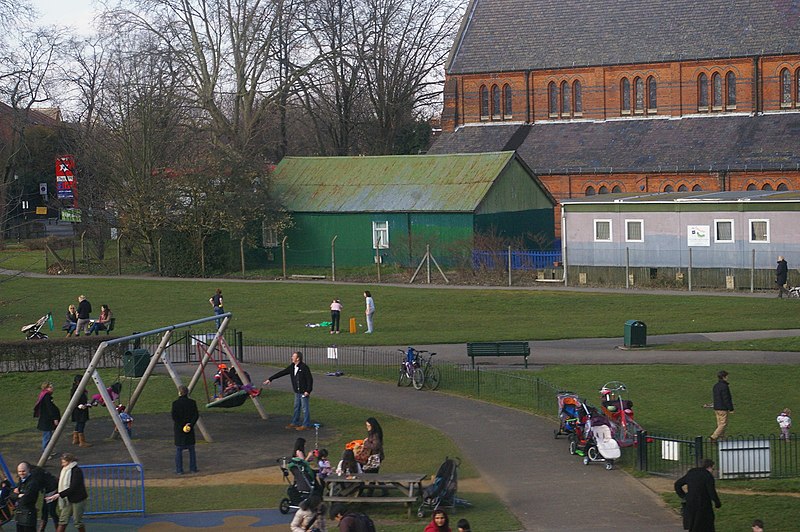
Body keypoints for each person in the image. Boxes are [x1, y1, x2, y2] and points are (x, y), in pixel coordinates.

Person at [263, 351, 313, 431]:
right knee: (296, 407)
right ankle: (294, 422)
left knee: (305, 408)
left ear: (298, 358)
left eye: (293, 356)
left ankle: (306, 424)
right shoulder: (292, 366)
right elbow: (282, 373)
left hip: (304, 392)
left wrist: (308, 390)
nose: (292, 358)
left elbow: (309, 379)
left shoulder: (304, 367)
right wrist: (270, 379)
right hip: (297, 392)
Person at [674, 458, 721, 532]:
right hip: (703, 504)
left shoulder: (691, 473)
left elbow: (677, 484)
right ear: (709, 467)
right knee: (706, 525)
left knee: (693, 524)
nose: (713, 471)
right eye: (713, 468)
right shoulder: (708, 476)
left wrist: (684, 496)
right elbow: (711, 491)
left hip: (690, 503)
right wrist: (717, 503)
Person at [45, 453, 88, 532]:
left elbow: (73, 487)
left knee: (77, 521)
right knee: (63, 520)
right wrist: (56, 493)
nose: (62, 464)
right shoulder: (64, 470)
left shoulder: (76, 471)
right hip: (67, 499)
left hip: (78, 499)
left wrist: (58, 495)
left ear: (70, 461)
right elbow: (61, 484)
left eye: (64, 462)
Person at [171, 385, 199, 474]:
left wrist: (182, 424)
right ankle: (193, 468)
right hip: (190, 428)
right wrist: (190, 424)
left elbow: (174, 417)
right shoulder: (192, 402)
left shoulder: (175, 403)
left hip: (179, 429)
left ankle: (179, 470)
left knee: (179, 450)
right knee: (191, 449)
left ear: (179, 392)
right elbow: (196, 415)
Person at [10, 462, 40, 532]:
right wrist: (19, 495)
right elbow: (11, 495)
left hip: (28, 515)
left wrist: (17, 495)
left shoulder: (32, 483)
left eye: (23, 471)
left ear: (28, 470)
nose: (21, 473)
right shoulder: (21, 481)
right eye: (19, 471)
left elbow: (26, 499)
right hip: (20, 514)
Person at [33, 382, 60, 452]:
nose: (52, 388)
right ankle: (46, 452)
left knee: (48, 436)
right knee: (47, 436)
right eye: (50, 387)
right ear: (46, 388)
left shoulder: (45, 395)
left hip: (46, 419)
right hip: (47, 420)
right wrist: (55, 418)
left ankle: (48, 451)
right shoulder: (47, 397)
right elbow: (50, 408)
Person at [710, 370, 734, 442]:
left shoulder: (715, 386)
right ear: (724, 377)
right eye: (727, 376)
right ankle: (714, 437)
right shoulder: (724, 386)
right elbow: (726, 398)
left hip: (716, 407)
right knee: (723, 424)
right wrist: (731, 408)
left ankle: (721, 439)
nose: (728, 377)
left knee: (720, 424)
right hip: (723, 408)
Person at [70, 375, 92, 448]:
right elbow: (73, 399)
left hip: (81, 408)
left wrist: (87, 403)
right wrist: (79, 405)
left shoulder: (80, 389)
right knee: (81, 423)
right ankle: (81, 441)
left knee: (79, 423)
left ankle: (75, 439)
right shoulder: (76, 389)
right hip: (79, 409)